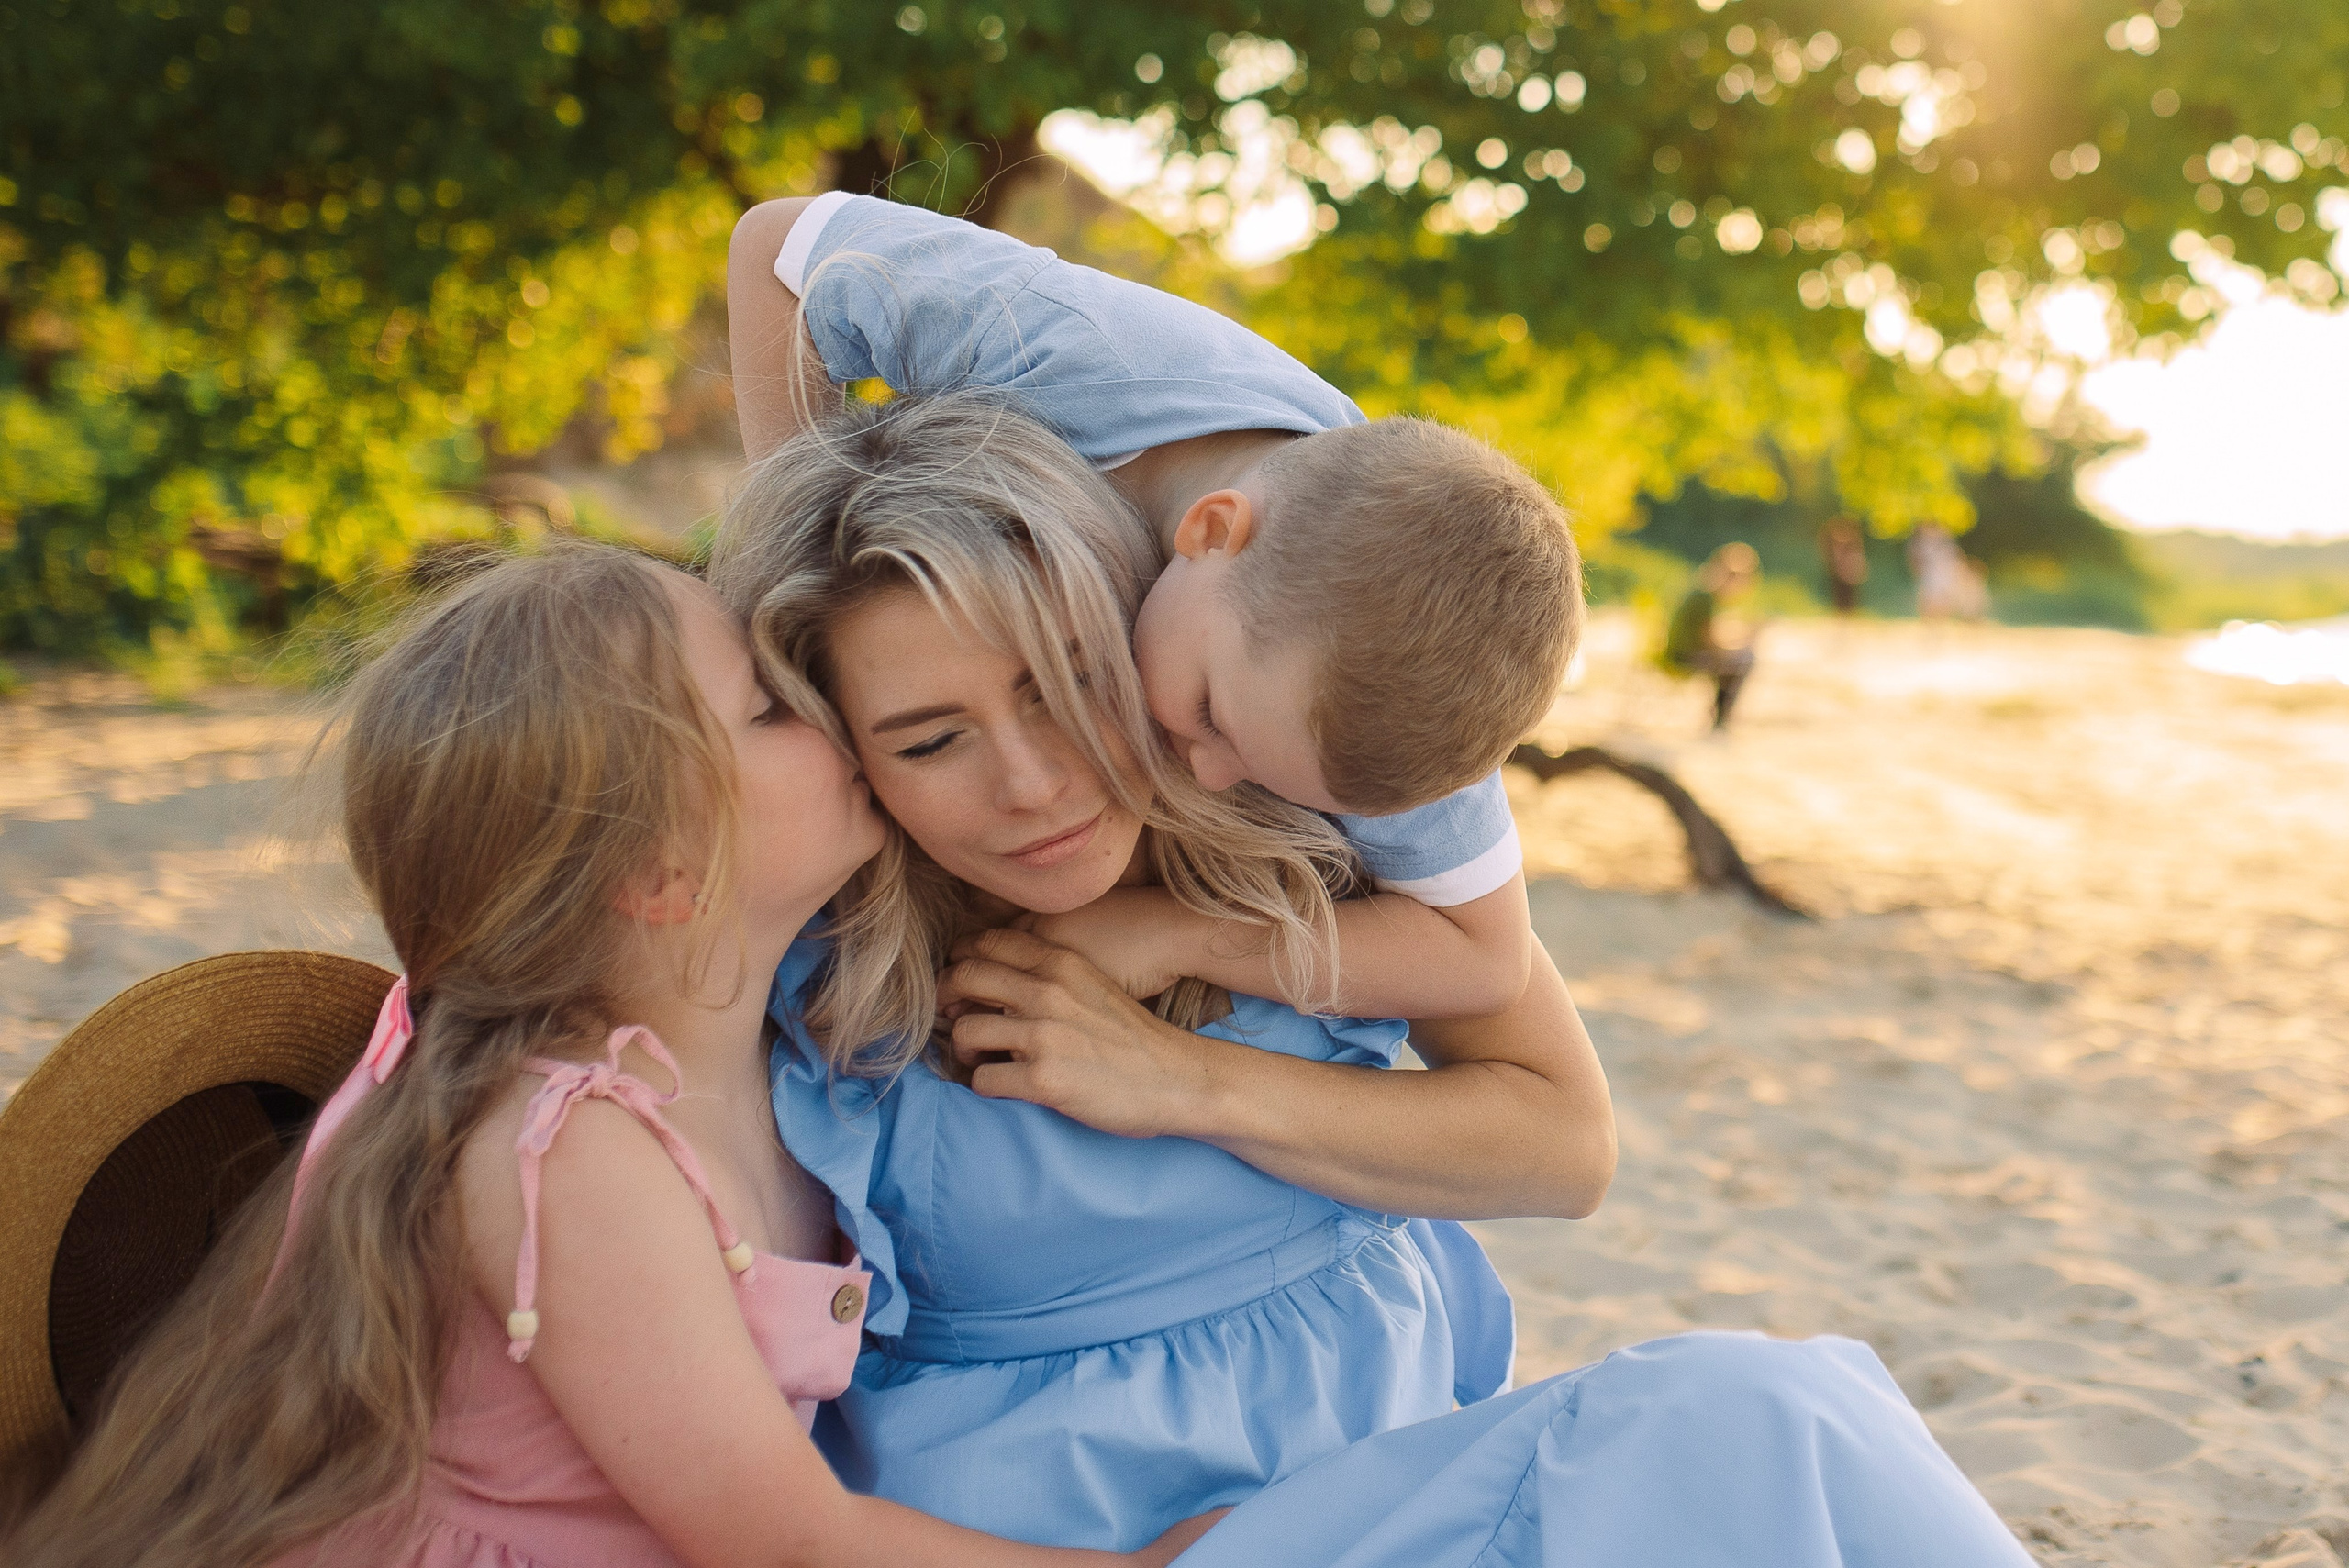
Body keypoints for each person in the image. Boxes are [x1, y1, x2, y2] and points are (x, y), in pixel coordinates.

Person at [708, 397, 2032, 1566]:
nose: (1033, 783)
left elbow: (1563, 1148)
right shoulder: (810, 957)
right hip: (1073, 1529)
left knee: (1780, 1424)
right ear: (846, 754)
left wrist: (1185, 1078)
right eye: (930, 739)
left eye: (1061, 688)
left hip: (1397, 1486)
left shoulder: (1311, 795)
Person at [1, 547, 1221, 1568]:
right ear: (660, 874)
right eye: (762, 704)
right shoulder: (581, 1155)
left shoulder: (771, 1054)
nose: (819, 698)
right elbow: (785, 1538)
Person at [725, 192, 1575, 1029]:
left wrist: (1179, 934)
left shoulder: (1387, 661)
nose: (1201, 770)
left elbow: (1485, 960)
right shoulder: (1068, 350)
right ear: (1209, 530)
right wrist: (801, 534)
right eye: (1209, 717)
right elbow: (781, 251)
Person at [1664, 542, 1761, 730]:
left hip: (1682, 651)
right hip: (1683, 657)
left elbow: (1709, 633)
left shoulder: (1703, 592)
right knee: (1744, 660)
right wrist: (1739, 646)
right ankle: (1721, 718)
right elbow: (1711, 642)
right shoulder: (1705, 597)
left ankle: (1720, 716)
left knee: (1739, 659)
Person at [1820, 516, 1869, 616]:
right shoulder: (1835, 543)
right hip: (1839, 572)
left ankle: (1848, 614)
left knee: (1849, 595)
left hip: (1848, 572)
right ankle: (1842, 615)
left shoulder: (1852, 542)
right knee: (1839, 594)